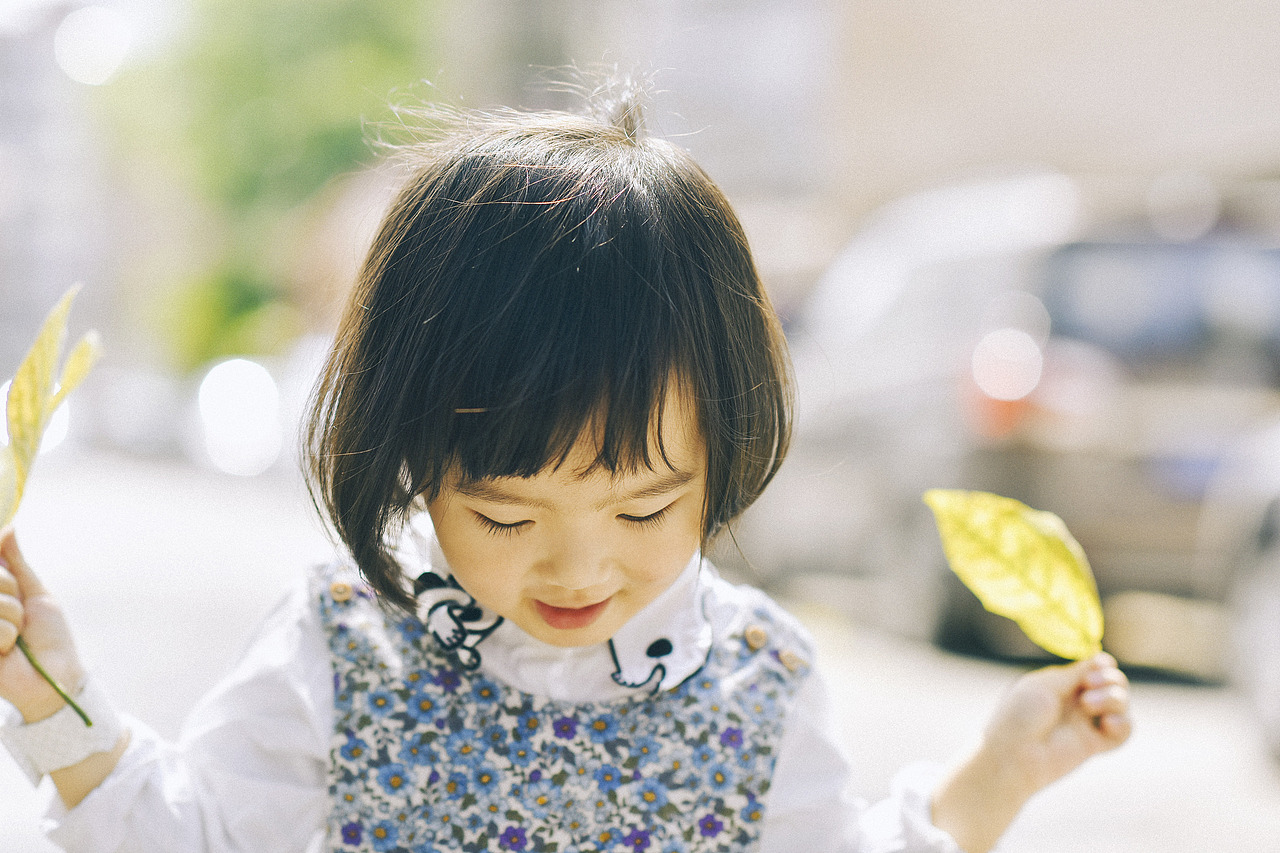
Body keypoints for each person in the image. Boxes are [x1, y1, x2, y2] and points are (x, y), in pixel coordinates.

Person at [0, 79, 1131, 853]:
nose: (579, 567)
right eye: (506, 516)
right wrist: (52, 698)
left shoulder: (758, 681)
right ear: (414, 459)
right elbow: (192, 835)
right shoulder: (341, 646)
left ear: (722, 449)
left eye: (643, 510)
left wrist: (997, 777)